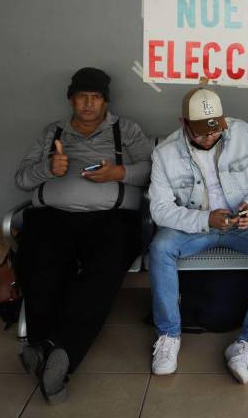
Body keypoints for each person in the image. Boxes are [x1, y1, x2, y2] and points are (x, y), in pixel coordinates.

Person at [14, 67, 152, 404]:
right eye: (81, 97)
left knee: (101, 274)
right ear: (71, 99)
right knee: (39, 264)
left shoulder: (126, 130)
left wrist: (119, 172)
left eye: (95, 98)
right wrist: (49, 169)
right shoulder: (53, 133)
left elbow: (152, 169)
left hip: (112, 219)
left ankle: (53, 351)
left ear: (105, 101)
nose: (88, 104)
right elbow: (22, 179)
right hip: (51, 217)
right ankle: (48, 345)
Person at [148, 87, 248, 384]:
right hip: (196, 225)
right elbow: (161, 210)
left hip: (243, 224)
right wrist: (205, 219)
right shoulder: (164, 153)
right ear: (183, 122)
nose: (209, 138)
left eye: (214, 131)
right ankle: (168, 336)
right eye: (201, 133)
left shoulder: (242, 132)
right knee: (160, 247)